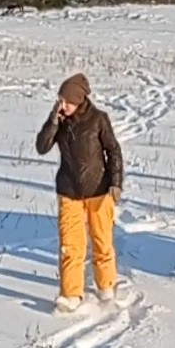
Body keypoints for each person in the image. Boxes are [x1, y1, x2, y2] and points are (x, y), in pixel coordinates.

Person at [35, 72, 124, 312]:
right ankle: (71, 294)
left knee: (101, 240)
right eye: (60, 100)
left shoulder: (99, 120)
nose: (63, 105)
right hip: (69, 191)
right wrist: (52, 122)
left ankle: (106, 284)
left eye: (68, 102)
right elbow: (41, 147)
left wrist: (116, 183)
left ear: (79, 100)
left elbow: (114, 151)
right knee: (70, 245)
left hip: (99, 190)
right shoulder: (59, 121)